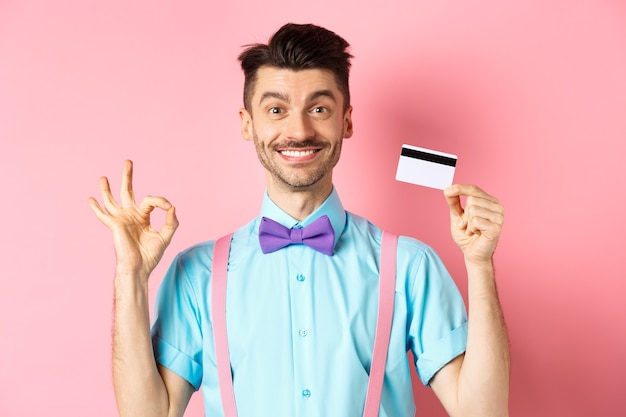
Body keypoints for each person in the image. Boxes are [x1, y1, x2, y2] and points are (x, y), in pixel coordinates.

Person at [88, 23, 509, 417]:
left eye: (320, 108)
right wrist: (130, 275)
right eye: (276, 110)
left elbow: (481, 412)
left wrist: (480, 265)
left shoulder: (411, 265)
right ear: (247, 124)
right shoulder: (196, 273)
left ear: (346, 121)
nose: (299, 129)